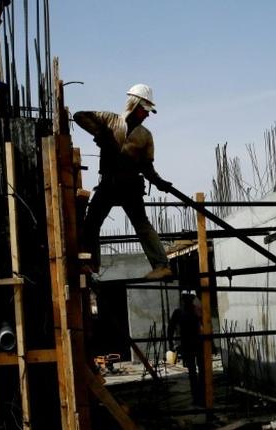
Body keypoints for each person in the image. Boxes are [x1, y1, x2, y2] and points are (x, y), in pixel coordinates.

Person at [73, 84, 174, 280]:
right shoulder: (110, 121)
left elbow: (147, 168)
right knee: (92, 222)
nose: (147, 115)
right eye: (145, 111)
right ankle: (90, 265)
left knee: (141, 224)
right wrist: (101, 133)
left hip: (130, 186)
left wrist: (160, 182)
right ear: (134, 105)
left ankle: (162, 265)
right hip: (109, 183)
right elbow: (79, 116)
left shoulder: (145, 136)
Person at [167, 293, 204, 406]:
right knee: (195, 372)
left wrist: (170, 343)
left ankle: (200, 398)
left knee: (198, 372)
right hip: (191, 345)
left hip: (195, 344)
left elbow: (205, 326)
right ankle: (198, 398)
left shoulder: (193, 311)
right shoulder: (181, 312)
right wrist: (170, 343)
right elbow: (171, 328)